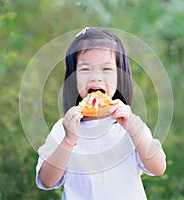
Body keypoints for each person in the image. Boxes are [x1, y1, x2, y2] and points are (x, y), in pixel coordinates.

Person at [35, 27, 166, 200]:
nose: (95, 77)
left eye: (106, 69)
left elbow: (158, 168)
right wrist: (68, 141)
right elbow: (47, 181)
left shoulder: (131, 125)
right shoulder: (64, 128)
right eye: (85, 69)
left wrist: (134, 129)